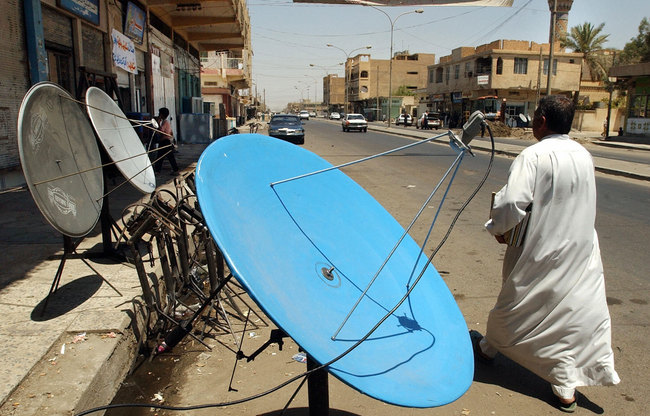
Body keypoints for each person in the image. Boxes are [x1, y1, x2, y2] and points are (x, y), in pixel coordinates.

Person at [476, 95, 620, 413]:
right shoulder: (583, 154)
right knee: (570, 317)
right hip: (581, 250)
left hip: (541, 249)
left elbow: (513, 202)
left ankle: (488, 349)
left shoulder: (535, 155)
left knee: (516, 304)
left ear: (541, 122)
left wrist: (497, 228)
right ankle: (564, 386)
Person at [153, 107, 179, 175]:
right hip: (165, 141)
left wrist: (158, 123)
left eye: (159, 114)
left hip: (165, 141)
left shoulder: (165, 122)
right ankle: (175, 170)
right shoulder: (165, 122)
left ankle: (157, 171)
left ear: (161, 115)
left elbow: (161, 131)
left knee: (161, 156)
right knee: (167, 156)